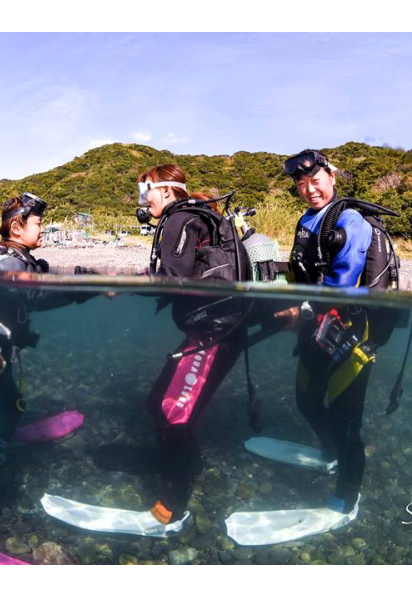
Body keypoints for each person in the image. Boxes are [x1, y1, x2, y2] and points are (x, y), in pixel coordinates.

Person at [0, 193, 86, 548]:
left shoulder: (18, 259)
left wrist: (89, 277)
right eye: (39, 223)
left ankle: (8, 430)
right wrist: (89, 289)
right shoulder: (2, 265)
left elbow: (46, 277)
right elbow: (37, 295)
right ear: (16, 226)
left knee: (9, 407)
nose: (44, 229)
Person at [275, 149, 396, 516]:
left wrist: (303, 308)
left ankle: (348, 494)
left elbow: (341, 286)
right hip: (315, 330)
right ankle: (330, 453)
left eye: (316, 181)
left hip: (353, 333)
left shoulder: (351, 220)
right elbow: (300, 274)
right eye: (302, 184)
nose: (310, 190)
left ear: (332, 177)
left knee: (346, 420)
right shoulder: (306, 221)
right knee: (306, 402)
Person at [138, 164, 250, 525]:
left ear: (167, 191)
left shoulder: (180, 218)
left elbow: (172, 278)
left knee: (172, 414)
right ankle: (189, 463)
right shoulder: (195, 218)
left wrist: (118, 284)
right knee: (158, 402)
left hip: (214, 335)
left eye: (147, 191)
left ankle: (176, 500)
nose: (144, 199)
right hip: (215, 331)